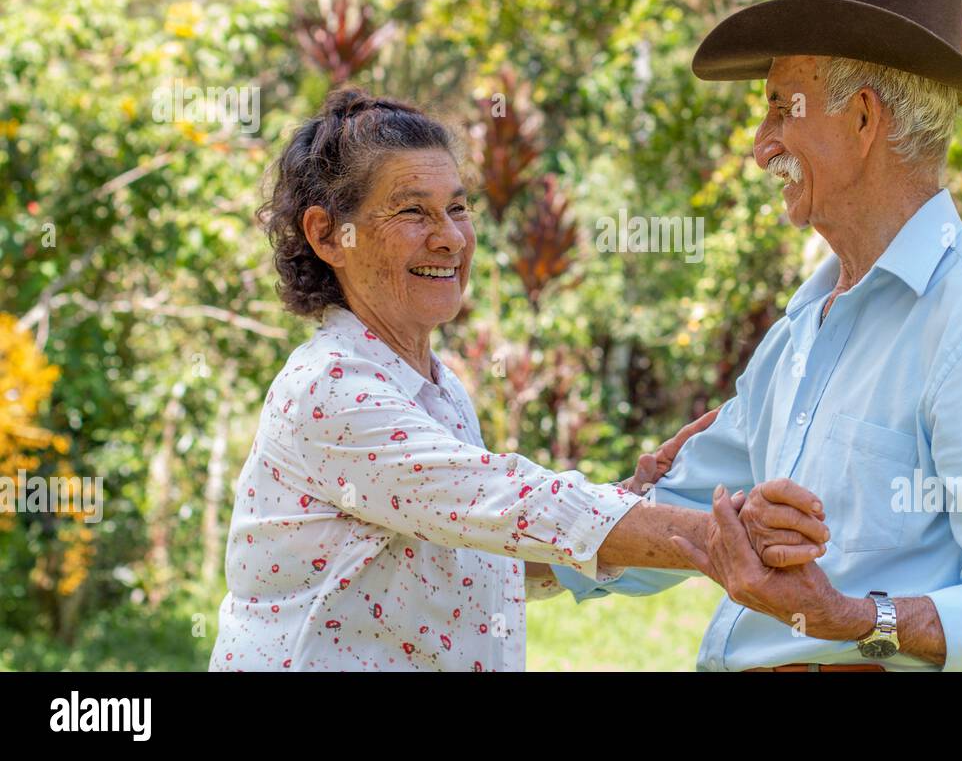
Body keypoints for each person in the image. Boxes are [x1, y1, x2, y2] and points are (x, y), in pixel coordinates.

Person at [554, 0, 962, 672]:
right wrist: (487, 528)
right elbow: (682, 517)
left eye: (782, 107)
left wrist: (850, 619)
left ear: (865, 118)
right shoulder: (805, 325)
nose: (760, 146)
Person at [209, 89, 827, 671]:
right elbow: (507, 500)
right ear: (326, 235)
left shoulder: (437, 387)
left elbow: (485, 549)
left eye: (457, 208)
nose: (449, 238)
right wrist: (720, 536)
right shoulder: (328, 387)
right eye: (411, 211)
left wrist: (632, 502)